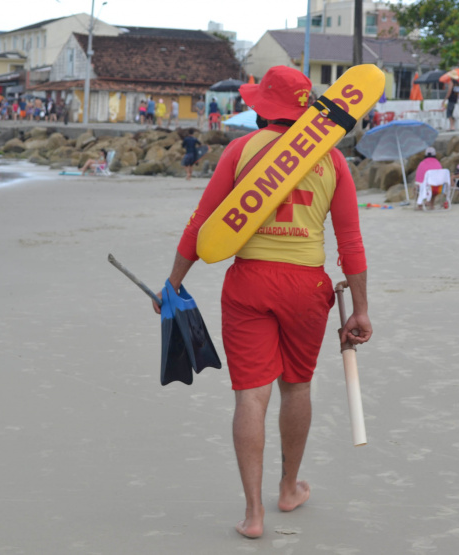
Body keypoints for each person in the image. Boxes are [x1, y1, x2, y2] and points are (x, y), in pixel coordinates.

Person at [153, 65, 371, 539]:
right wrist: (361, 307)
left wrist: (173, 283)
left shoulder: (241, 149)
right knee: (296, 387)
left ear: (261, 108)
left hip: (249, 283)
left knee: (251, 395)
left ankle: (253, 515)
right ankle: (288, 489)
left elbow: (201, 225)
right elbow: (349, 241)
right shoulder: (332, 161)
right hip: (306, 287)